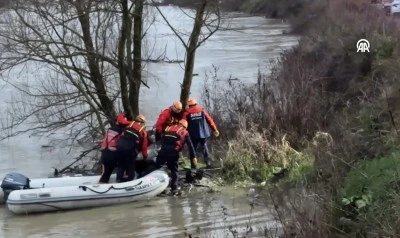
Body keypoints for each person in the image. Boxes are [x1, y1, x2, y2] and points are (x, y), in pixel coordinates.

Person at [154, 119, 197, 194]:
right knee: (174, 170)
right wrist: (193, 158)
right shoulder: (185, 132)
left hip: (163, 151)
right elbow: (191, 147)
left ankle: (154, 184)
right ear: (185, 127)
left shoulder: (168, 128)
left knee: (157, 167)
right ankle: (174, 188)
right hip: (173, 152)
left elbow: (160, 138)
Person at [182, 98, 219, 168]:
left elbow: (183, 124)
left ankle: (194, 165)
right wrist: (215, 129)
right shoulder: (202, 110)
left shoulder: (186, 113)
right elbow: (209, 120)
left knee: (193, 149)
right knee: (204, 147)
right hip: (203, 133)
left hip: (192, 135)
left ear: (189, 105)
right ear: (196, 104)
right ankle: (208, 163)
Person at [98, 112, 131, 184]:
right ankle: (121, 183)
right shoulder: (123, 131)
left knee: (106, 173)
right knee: (123, 165)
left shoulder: (109, 129)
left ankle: (101, 185)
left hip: (104, 153)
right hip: (113, 154)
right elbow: (124, 145)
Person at [116, 114, 149, 182]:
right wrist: (145, 156)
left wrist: (122, 114)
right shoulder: (143, 131)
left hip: (120, 147)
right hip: (130, 150)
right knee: (131, 165)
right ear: (143, 123)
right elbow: (144, 146)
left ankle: (118, 179)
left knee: (121, 164)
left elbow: (120, 120)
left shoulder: (130, 123)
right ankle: (130, 181)